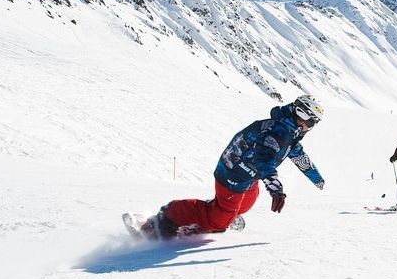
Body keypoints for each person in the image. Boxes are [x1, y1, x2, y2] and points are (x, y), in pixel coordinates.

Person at [135, 95, 326, 239]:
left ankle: (220, 210)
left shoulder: (290, 133)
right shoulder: (277, 132)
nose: (311, 126)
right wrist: (276, 189)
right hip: (232, 173)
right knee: (218, 222)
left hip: (249, 176)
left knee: (246, 203)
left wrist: (316, 178)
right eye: (311, 122)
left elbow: (298, 155)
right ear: (301, 114)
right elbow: (263, 160)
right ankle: (165, 218)